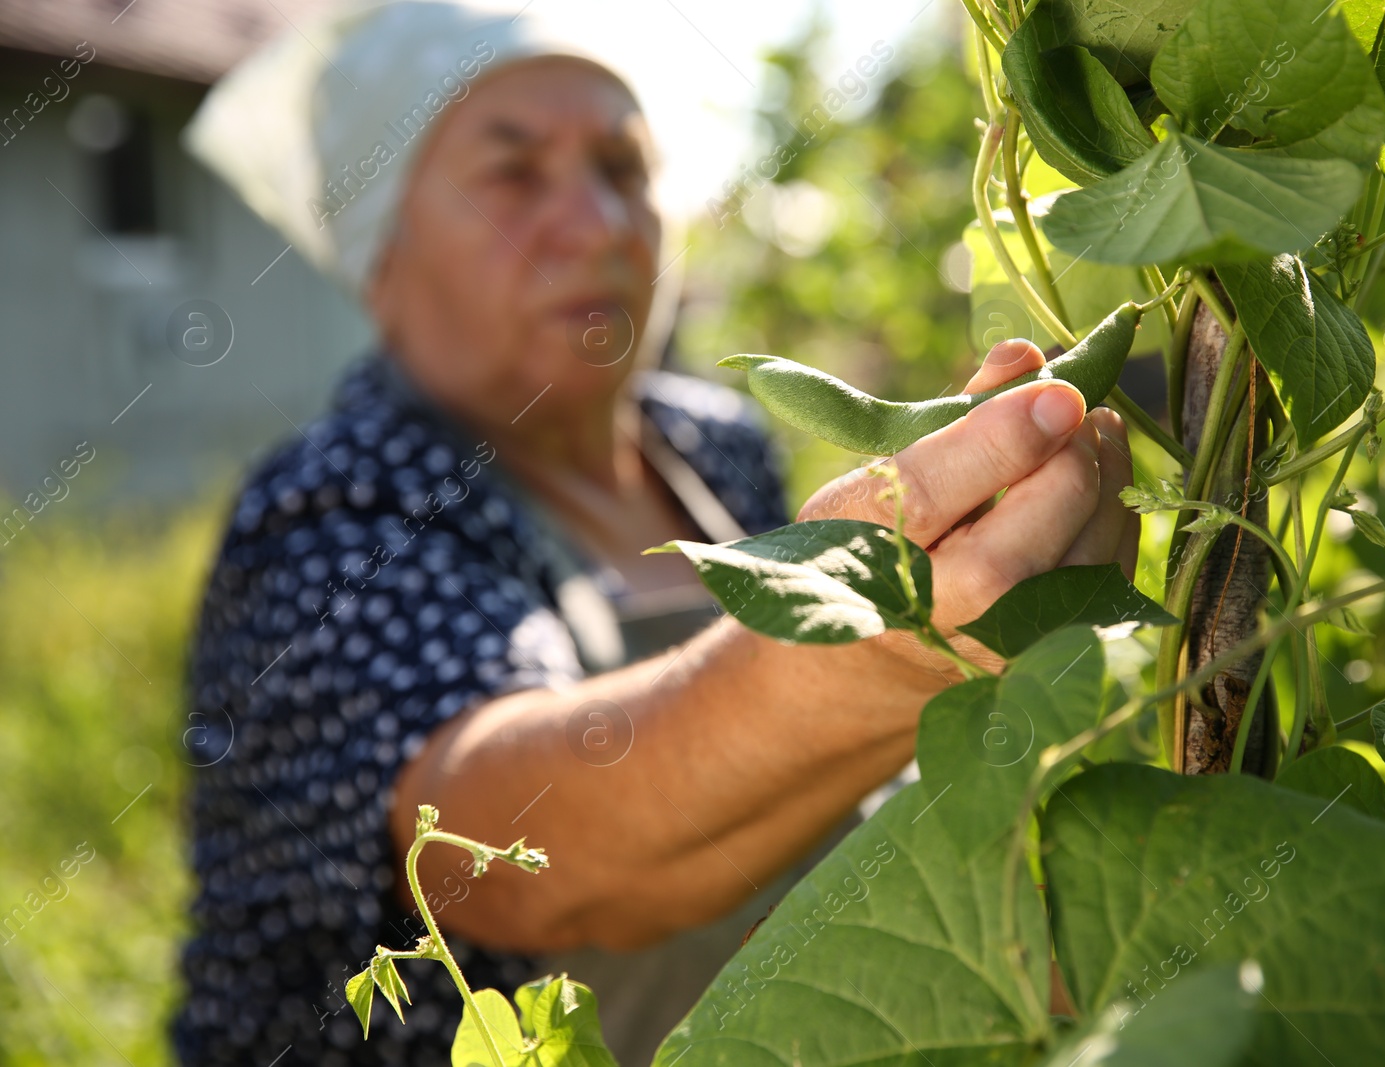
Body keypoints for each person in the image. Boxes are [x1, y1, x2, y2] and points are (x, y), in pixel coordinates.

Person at [172, 2, 1140, 1064]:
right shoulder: (331, 506)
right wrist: (874, 651)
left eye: (623, 168)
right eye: (513, 174)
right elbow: (514, 852)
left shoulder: (711, 443)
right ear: (382, 261)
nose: (596, 223)